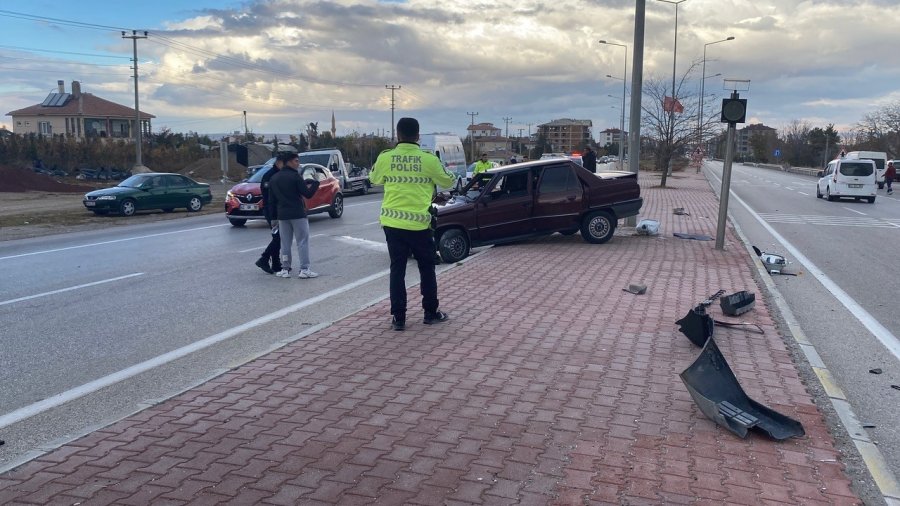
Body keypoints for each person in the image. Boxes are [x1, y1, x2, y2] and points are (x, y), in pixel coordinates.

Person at [370, 117, 456, 331]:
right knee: (426, 268)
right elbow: (448, 181)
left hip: (392, 223)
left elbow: (374, 179)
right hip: (419, 224)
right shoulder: (428, 159)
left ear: (397, 135)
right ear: (418, 136)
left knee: (397, 269)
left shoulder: (386, 157)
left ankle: (398, 318)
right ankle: (430, 312)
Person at [269, 152, 320, 279]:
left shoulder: (274, 178)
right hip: (297, 214)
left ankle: (285, 269)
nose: (298, 164)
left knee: (285, 243)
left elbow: (271, 200)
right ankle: (304, 269)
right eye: (296, 161)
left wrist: (273, 217)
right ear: (289, 162)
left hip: (282, 215)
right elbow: (307, 194)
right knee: (302, 241)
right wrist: (315, 184)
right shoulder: (295, 176)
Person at [255, 155, 285, 274]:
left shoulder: (277, 173)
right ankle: (264, 258)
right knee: (278, 237)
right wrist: (273, 215)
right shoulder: (270, 175)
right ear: (278, 162)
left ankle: (276, 264)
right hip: (272, 211)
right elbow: (269, 197)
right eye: (284, 163)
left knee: (278, 237)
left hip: (277, 210)